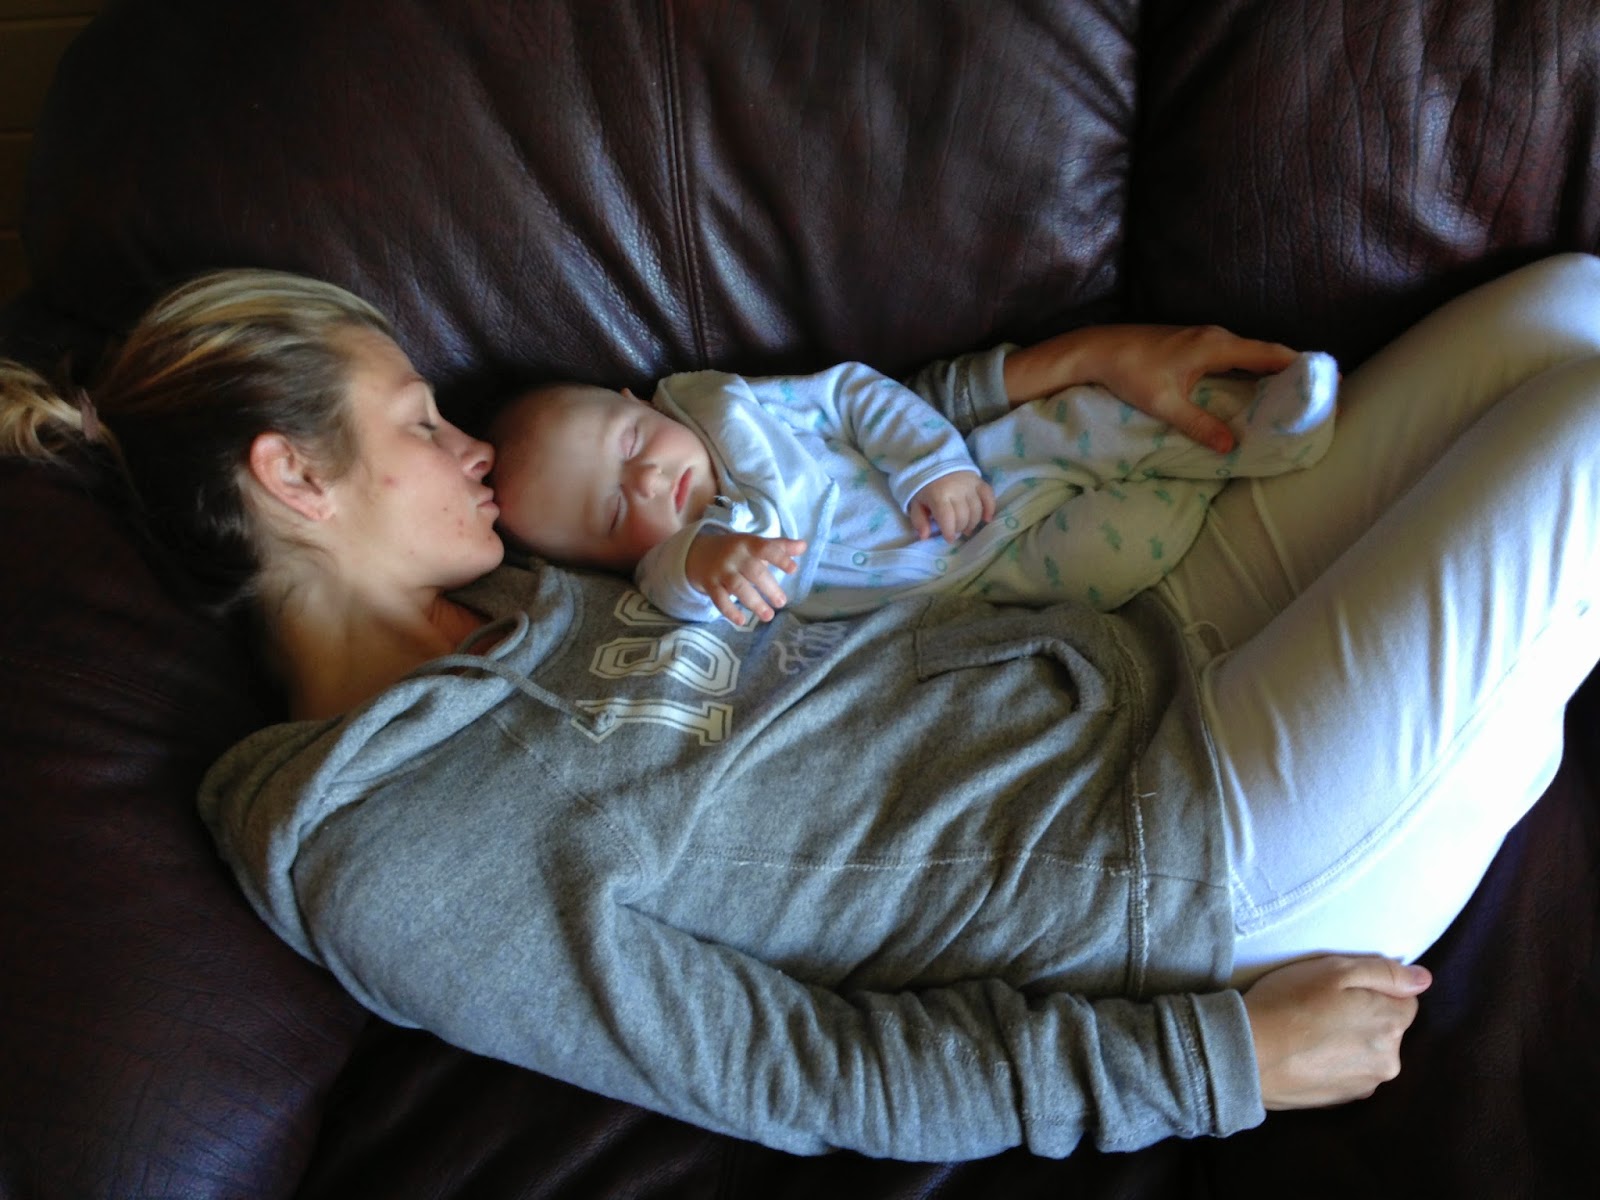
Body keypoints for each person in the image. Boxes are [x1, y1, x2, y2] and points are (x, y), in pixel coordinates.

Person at [1, 258, 1596, 1161]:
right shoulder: (388, 855)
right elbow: (797, 1072)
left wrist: (1073, 366)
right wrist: (1211, 1066)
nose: (471, 443)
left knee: (1568, 313)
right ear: (294, 478)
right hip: (1183, 856)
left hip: (1133, 645)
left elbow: (786, 464)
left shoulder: (516, 584)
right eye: (417, 423)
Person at [486, 351, 1337, 624]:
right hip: (981, 580)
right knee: (1119, 552)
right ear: (607, 562)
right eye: (612, 510)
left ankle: (1255, 422)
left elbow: (853, 394)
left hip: (973, 475)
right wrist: (704, 564)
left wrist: (935, 463)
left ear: (638, 400)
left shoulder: (732, 406)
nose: (645, 480)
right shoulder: (687, 564)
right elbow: (673, 588)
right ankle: (1211, 474)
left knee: (1085, 421)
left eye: (631, 442)